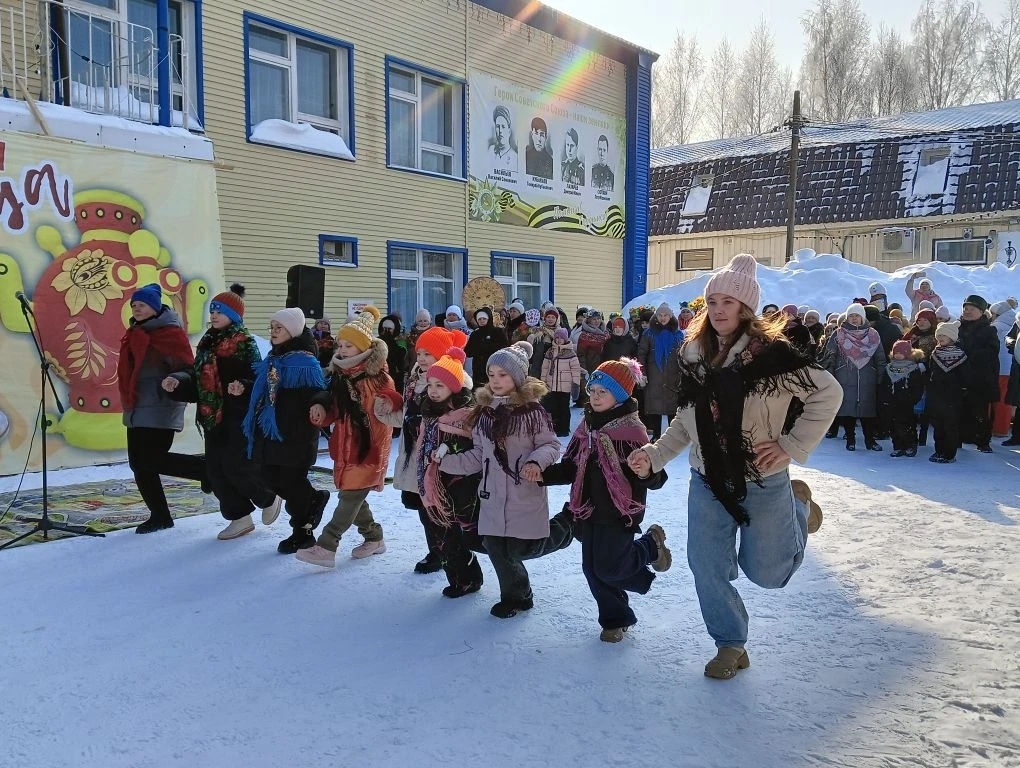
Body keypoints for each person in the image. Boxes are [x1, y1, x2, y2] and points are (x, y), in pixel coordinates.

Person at [627, 254, 841, 680]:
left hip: (762, 478)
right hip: (707, 480)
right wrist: (653, 455)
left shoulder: (774, 356)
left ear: (746, 308)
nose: (719, 309)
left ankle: (799, 509)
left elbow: (828, 393)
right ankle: (730, 644)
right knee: (706, 566)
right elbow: (686, 424)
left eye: (728, 301)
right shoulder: (692, 358)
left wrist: (791, 444)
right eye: (713, 301)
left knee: (769, 574)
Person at [438, 341, 573, 618]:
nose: (496, 381)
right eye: (492, 374)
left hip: (523, 491)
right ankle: (517, 597)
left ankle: (567, 526)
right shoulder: (484, 414)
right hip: (491, 495)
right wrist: (446, 463)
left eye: (503, 374)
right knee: (497, 547)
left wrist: (536, 461)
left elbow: (550, 445)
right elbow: (478, 455)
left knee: (522, 547)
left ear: (518, 377)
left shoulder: (533, 413)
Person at [543, 359, 670, 643]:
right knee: (593, 569)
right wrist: (540, 475)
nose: (595, 396)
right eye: (593, 390)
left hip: (618, 512)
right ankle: (616, 619)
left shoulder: (632, 433)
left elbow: (657, 478)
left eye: (604, 391)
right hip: (586, 510)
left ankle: (650, 546)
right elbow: (571, 467)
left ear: (621, 396)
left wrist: (647, 472)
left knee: (608, 568)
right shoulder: (586, 428)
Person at [161, 284, 281, 540]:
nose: (214, 314)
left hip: (238, 415)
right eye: (213, 309)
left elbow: (260, 379)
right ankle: (239, 517)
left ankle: (268, 497)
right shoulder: (206, 344)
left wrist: (243, 387)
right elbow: (199, 382)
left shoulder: (244, 343)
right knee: (214, 470)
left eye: (220, 311)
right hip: (211, 416)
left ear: (234, 316)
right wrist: (178, 384)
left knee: (235, 466)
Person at [298, 307, 403, 567]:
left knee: (349, 497)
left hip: (368, 448)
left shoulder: (377, 378)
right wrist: (324, 412)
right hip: (344, 445)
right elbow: (337, 408)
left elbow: (391, 407)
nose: (342, 350)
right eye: (340, 345)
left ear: (363, 348)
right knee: (352, 495)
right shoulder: (340, 376)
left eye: (349, 346)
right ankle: (374, 537)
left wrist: (388, 405)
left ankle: (326, 545)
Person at [117, 283, 208, 534]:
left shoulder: (169, 333)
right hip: (137, 405)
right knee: (139, 463)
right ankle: (159, 516)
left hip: (161, 404)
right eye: (134, 305)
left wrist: (175, 378)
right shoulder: (134, 332)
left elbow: (188, 367)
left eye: (142, 305)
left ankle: (207, 471)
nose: (136, 309)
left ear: (154, 307)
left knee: (151, 459)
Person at [243, 307, 330, 553]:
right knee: (268, 476)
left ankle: (302, 532)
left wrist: (317, 407)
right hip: (274, 432)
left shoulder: (305, 362)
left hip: (297, 434)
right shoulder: (274, 358)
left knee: (292, 482)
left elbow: (318, 394)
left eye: (278, 327)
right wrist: (245, 387)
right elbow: (269, 391)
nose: (273, 332)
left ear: (291, 331)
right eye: (272, 327)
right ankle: (313, 499)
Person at [393, 326, 469, 574]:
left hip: (436, 455)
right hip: (415, 452)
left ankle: (448, 554)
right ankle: (438, 550)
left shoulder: (452, 381)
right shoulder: (415, 376)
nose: (422, 358)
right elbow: (407, 413)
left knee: (437, 510)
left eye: (429, 354)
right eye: (420, 353)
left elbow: (456, 419)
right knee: (423, 508)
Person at [416, 347, 486, 597]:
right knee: (440, 536)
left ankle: (474, 577)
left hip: (461, 487)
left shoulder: (466, 415)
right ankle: (461, 579)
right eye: (431, 385)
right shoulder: (428, 411)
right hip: (433, 485)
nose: (433, 391)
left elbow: (473, 445)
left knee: (465, 536)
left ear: (454, 388)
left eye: (440, 386)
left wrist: (448, 446)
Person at [825, 303, 887, 451]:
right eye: (851, 316)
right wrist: (831, 376)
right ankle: (850, 439)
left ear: (862, 317)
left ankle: (869, 440)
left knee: (868, 410)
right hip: (844, 376)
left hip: (868, 378)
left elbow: (880, 357)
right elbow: (829, 356)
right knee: (847, 409)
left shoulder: (873, 334)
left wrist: (880, 377)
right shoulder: (838, 334)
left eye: (857, 316)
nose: (854, 319)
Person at [957, 295, 999, 453]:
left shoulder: (988, 330)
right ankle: (961, 437)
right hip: (960, 376)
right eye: (965, 309)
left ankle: (983, 441)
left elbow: (991, 352)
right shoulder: (957, 327)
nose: (967, 312)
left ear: (981, 312)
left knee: (980, 411)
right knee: (960, 410)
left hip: (981, 378)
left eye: (972, 309)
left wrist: (967, 354)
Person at [636, 302, 684, 441]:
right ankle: (656, 435)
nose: (663, 318)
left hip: (672, 374)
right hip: (654, 374)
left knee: (673, 407)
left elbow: (682, 355)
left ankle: (672, 437)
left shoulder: (678, 334)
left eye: (666, 315)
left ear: (671, 316)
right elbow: (642, 354)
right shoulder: (648, 334)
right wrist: (642, 373)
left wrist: (683, 374)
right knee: (654, 407)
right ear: (656, 317)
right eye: (660, 315)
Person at [927, 321, 968, 464]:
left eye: (945, 335)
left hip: (952, 396)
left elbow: (964, 377)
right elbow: (930, 372)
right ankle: (938, 450)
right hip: (937, 395)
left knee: (950, 426)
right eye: (939, 335)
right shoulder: (935, 353)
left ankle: (949, 454)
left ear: (952, 337)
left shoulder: (960, 355)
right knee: (938, 426)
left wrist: (962, 390)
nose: (941, 338)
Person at [878, 340, 926, 457]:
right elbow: (884, 385)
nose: (898, 355)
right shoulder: (889, 368)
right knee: (893, 426)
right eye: (896, 352)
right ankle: (898, 446)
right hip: (891, 402)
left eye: (901, 352)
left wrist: (913, 399)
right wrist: (884, 398)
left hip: (907, 403)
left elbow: (918, 386)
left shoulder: (913, 368)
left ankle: (910, 445)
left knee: (908, 425)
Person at [541, 328, 582, 437]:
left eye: (561, 338)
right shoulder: (550, 351)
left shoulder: (570, 353)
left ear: (566, 339)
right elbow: (545, 368)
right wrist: (543, 382)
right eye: (557, 338)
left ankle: (564, 429)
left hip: (565, 387)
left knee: (564, 408)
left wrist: (575, 384)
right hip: (552, 385)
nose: (559, 340)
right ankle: (554, 428)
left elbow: (575, 370)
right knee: (553, 408)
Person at [464, 307, 508, 386]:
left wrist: (486, 347)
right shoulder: (475, 334)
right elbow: (468, 352)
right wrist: (480, 349)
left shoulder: (497, 331)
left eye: (484, 318)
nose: (482, 321)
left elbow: (504, 347)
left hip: (494, 368)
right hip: (478, 371)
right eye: (479, 319)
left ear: (489, 319)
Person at [379, 314, 407, 394]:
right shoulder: (377, 343)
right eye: (384, 328)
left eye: (389, 329)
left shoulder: (400, 345)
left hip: (394, 377)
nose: (387, 331)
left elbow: (401, 368)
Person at [488, 105, 518, 170]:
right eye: (498, 126)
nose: (500, 131)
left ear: (509, 131)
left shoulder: (515, 158)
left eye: (503, 127)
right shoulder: (491, 151)